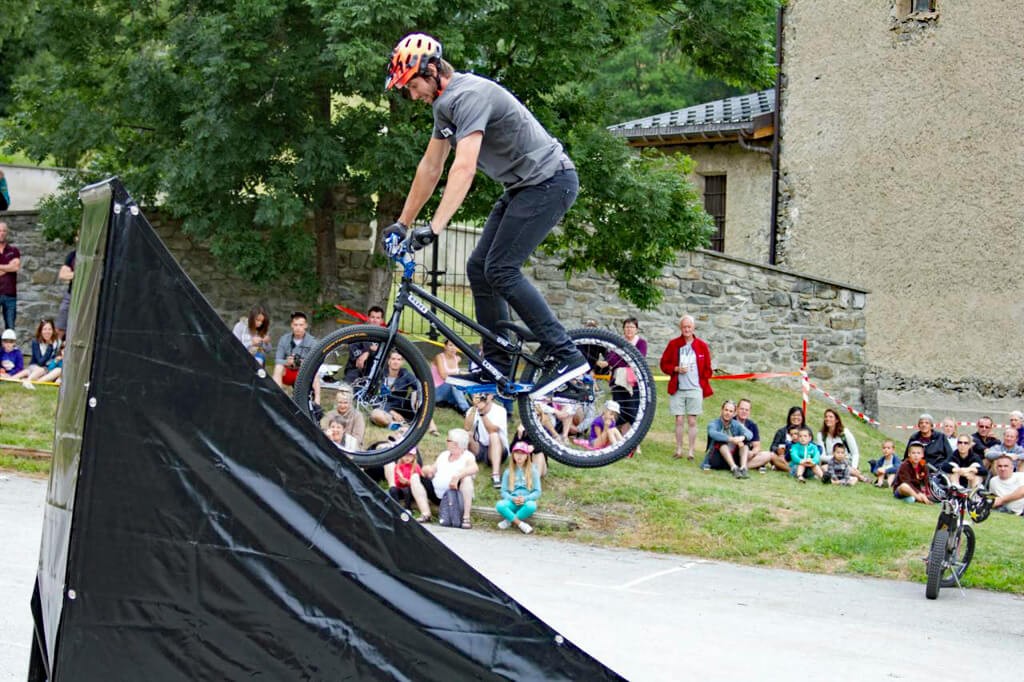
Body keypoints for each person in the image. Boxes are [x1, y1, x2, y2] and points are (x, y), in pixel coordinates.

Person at [382, 32, 589, 398]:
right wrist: (404, 222)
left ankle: (567, 355)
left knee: (501, 268)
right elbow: (431, 167)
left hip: (551, 181)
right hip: (522, 187)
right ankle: (495, 364)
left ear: (432, 71)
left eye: (412, 85)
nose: (412, 95)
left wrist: (434, 227)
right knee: (479, 267)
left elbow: (463, 168)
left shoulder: (468, 96)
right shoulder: (444, 107)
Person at [659, 315, 713, 461]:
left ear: (693, 328)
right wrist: (676, 369)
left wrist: (702, 379)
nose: (687, 329)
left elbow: (708, 368)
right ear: (680, 328)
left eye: (689, 327)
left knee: (692, 420)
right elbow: (663, 364)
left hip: (695, 388)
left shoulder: (701, 346)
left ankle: (691, 451)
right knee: (679, 420)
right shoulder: (673, 344)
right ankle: (678, 449)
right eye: (684, 327)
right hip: (678, 388)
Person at [420, 428, 478, 529]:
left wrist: (457, 476)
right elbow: (432, 471)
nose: (446, 442)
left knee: (467, 479)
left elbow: (474, 468)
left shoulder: (467, 456)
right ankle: (426, 513)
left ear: (456, 443)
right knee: (415, 477)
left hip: (455, 497)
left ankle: (466, 517)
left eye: (448, 440)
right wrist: (426, 470)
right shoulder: (444, 455)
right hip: (437, 495)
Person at [605, 317, 646, 428]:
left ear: (636, 329)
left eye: (632, 327)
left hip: (634, 383)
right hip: (618, 381)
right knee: (618, 409)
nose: (629, 329)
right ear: (623, 329)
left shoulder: (641, 343)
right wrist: (626, 360)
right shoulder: (617, 341)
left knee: (632, 410)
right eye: (627, 327)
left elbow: (638, 360)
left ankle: (633, 437)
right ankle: (615, 437)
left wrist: (621, 359)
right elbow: (611, 359)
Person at [495, 441, 542, 534]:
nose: (519, 456)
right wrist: (512, 498)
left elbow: (537, 491)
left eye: (522, 453)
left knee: (531, 506)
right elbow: (503, 491)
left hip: (526, 502)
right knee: (500, 505)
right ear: (513, 455)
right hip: (512, 502)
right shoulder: (508, 472)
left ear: (527, 456)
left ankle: (509, 521)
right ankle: (521, 524)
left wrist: (526, 498)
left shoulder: (533, 471)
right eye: (516, 453)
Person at [464, 392, 509, 489]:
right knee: (467, 435)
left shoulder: (500, 410)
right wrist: (474, 408)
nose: (482, 397)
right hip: (479, 448)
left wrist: (482, 413)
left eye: (486, 394)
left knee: (494, 436)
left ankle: (496, 475)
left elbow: (492, 430)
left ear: (492, 396)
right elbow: (467, 428)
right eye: (480, 394)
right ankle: (463, 466)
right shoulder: (472, 410)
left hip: (498, 449)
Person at [369, 350, 422, 429]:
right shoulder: (380, 374)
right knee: (376, 415)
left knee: (421, 394)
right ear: (389, 361)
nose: (395, 362)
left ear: (402, 362)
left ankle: (428, 425)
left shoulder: (406, 374)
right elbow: (373, 398)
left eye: (398, 359)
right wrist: (391, 412)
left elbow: (420, 387)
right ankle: (396, 425)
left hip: (401, 408)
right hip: (383, 409)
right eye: (393, 359)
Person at [273, 311, 318, 394]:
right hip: (287, 371)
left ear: (306, 326)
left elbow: (315, 361)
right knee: (278, 367)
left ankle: (316, 402)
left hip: (303, 372)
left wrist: (302, 362)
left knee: (315, 373)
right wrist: (287, 362)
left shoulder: (312, 342)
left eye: (301, 325)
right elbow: (277, 359)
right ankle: (276, 395)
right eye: (295, 325)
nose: (298, 328)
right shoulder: (284, 339)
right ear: (291, 325)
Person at [706, 400, 752, 479]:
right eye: (726, 410)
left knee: (745, 443)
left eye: (731, 411)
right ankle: (734, 468)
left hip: (733, 456)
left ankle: (743, 468)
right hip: (717, 458)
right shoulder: (713, 423)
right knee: (721, 443)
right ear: (722, 410)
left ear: (734, 413)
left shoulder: (736, 424)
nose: (728, 413)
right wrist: (731, 439)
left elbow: (749, 434)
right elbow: (712, 433)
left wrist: (741, 438)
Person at [388, 447, 432, 523]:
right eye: (405, 455)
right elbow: (396, 481)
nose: (407, 458)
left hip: (410, 491)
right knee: (392, 489)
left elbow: (419, 481)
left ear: (414, 456)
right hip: (400, 489)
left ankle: (407, 509)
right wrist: (400, 481)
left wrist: (407, 482)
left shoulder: (416, 467)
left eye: (410, 455)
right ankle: (396, 509)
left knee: (406, 489)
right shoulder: (398, 466)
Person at [11, 318, 60, 387]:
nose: (47, 332)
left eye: (49, 329)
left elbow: (54, 360)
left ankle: (35, 382)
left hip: (48, 368)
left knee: (58, 370)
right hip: (36, 366)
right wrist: (50, 347)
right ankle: (28, 380)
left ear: (53, 330)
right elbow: (40, 362)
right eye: (44, 329)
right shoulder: (36, 342)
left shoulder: (56, 342)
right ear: (41, 331)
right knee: (41, 370)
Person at [343, 306, 385, 383]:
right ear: (368, 318)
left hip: (375, 370)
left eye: (378, 318)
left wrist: (367, 352)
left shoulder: (384, 337)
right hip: (355, 370)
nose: (375, 320)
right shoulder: (358, 332)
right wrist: (370, 351)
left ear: (382, 320)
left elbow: (385, 353)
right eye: (372, 317)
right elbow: (355, 355)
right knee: (346, 387)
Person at [431, 339, 470, 415]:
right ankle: (466, 410)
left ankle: (474, 405)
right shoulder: (439, 357)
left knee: (468, 381)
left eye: (455, 345)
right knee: (455, 382)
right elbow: (443, 375)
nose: (453, 348)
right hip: (437, 391)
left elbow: (458, 371)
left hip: (449, 393)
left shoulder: (457, 358)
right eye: (450, 345)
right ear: (445, 346)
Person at [735, 398, 775, 471]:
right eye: (742, 409)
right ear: (737, 409)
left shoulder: (752, 425)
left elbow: (757, 446)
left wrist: (752, 453)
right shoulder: (731, 422)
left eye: (746, 410)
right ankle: (740, 465)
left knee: (768, 455)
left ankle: (742, 466)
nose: (744, 411)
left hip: (747, 456)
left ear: (749, 411)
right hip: (734, 453)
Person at [768, 406, 805, 472]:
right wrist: (778, 450)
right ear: (789, 417)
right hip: (783, 457)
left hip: (798, 458)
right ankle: (790, 469)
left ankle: (783, 467)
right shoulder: (781, 431)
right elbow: (772, 447)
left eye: (799, 415)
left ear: (802, 418)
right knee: (771, 455)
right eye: (793, 415)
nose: (796, 417)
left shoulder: (806, 431)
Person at [0, 221, 21, 331]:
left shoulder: (14, 250)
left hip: (10, 295)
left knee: (10, 328)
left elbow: (15, 267)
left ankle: (9, 349)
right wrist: (8, 267)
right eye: (0, 231)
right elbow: (11, 268)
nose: (1, 233)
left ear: (7, 233)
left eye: (4, 231)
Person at [56, 247, 75, 340]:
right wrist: (78, 274)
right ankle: (55, 351)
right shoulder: (73, 255)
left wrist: (72, 274)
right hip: (71, 294)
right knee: (60, 327)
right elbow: (63, 275)